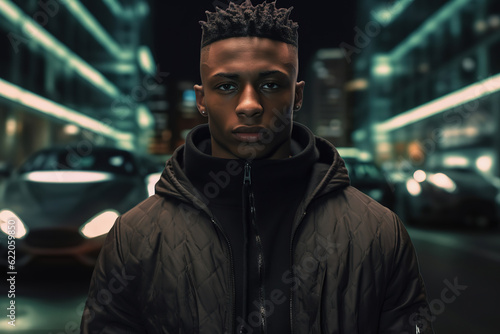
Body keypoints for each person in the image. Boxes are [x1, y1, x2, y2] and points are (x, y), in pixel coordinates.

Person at [81, 1, 434, 333]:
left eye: (269, 84)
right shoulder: (135, 236)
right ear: (202, 100)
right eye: (227, 86)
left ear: (296, 96)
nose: (249, 105)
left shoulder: (378, 232)